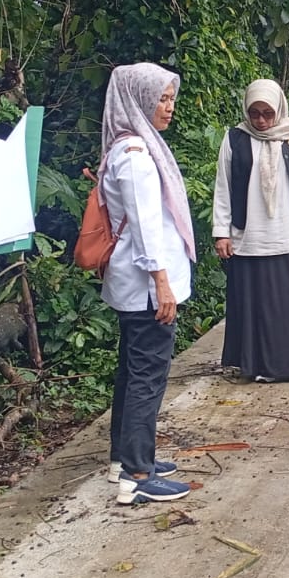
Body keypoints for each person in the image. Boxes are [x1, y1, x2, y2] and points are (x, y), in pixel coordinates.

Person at [99, 63, 197, 505]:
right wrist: (162, 282)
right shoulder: (137, 157)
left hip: (134, 285)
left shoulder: (125, 148)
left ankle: (125, 458)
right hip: (146, 286)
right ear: (138, 99)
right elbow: (144, 228)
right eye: (161, 98)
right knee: (147, 377)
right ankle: (137, 475)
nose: (169, 107)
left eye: (172, 98)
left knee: (132, 371)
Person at [212, 79, 289, 383]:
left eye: (267, 113)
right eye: (255, 114)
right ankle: (261, 366)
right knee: (259, 304)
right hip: (250, 235)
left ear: (279, 109)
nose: (262, 121)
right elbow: (223, 188)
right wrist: (221, 232)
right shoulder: (235, 139)